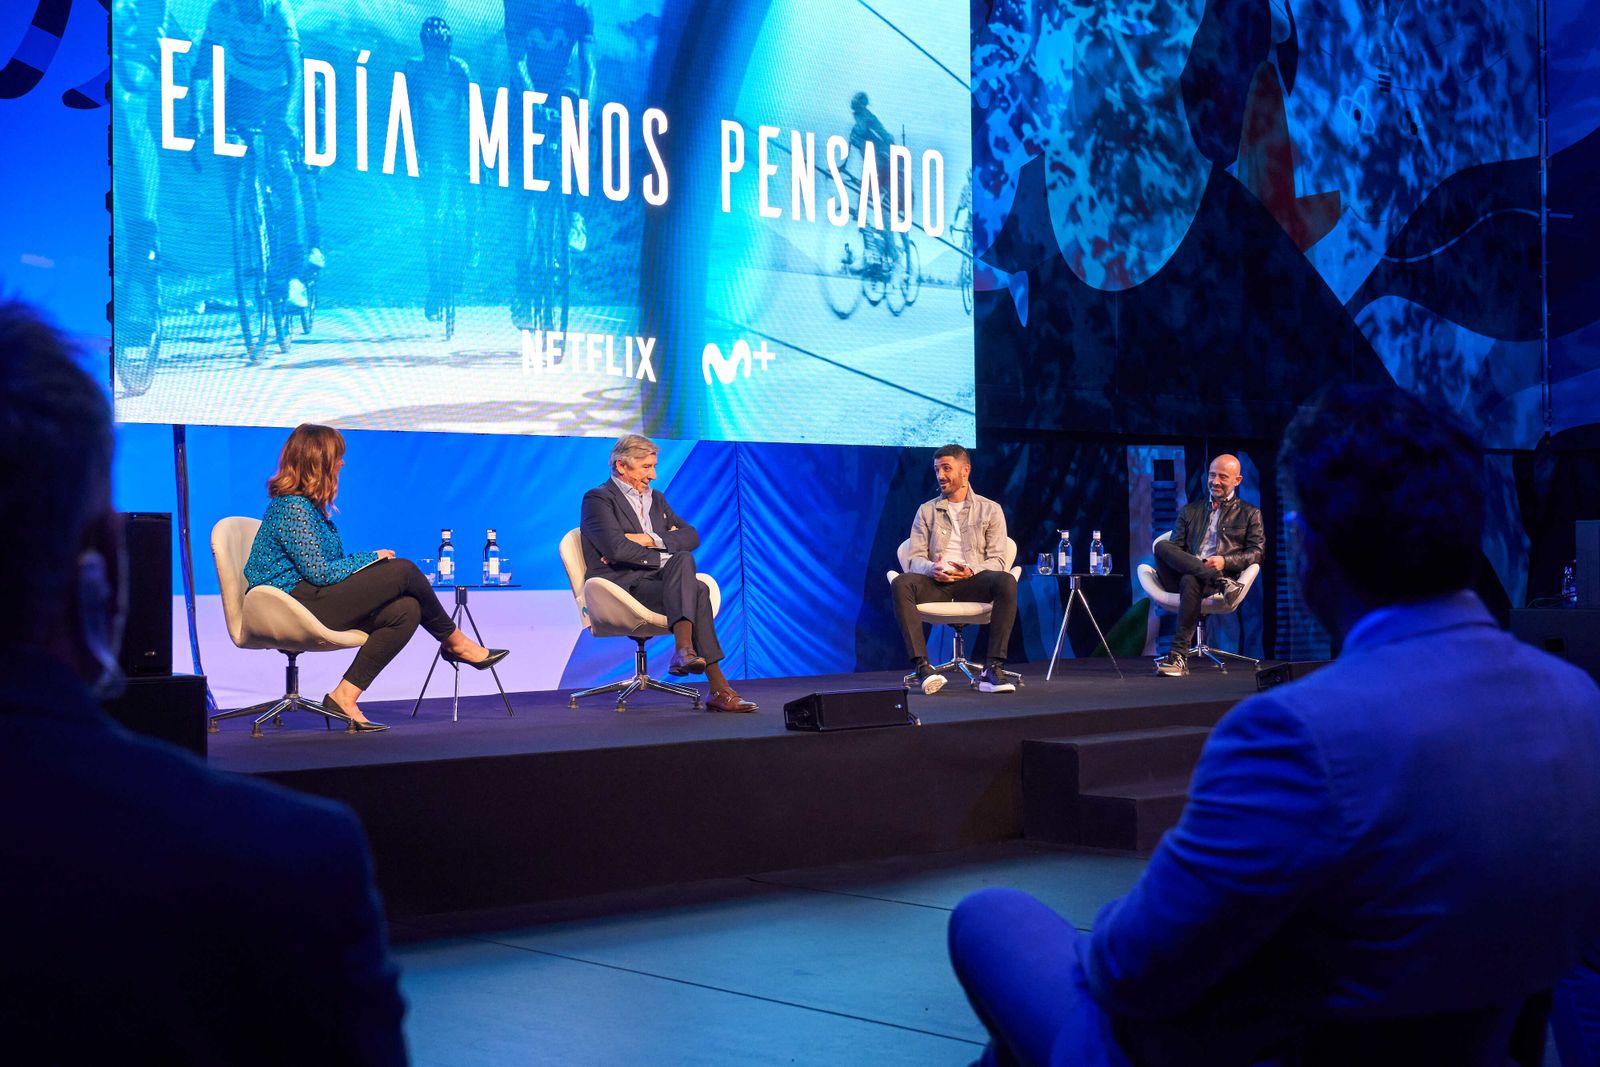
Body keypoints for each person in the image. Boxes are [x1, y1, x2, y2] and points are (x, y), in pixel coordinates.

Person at [947, 384, 1600, 1067]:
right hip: (1472, 1043)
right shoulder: (1579, 704)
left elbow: (1131, 967)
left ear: (1313, 545)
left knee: (989, 916)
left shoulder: (1294, 734)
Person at [0, 300, 407, 1062]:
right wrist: (372, 566)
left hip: (320, 596)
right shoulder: (292, 866)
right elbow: (317, 576)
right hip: (297, 603)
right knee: (408, 577)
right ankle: (415, 658)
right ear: (108, 570)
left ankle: (358, 682)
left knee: (409, 587)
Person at [244, 424, 508, 730]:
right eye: (337, 457)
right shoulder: (293, 508)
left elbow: (326, 569)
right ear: (318, 462)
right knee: (405, 570)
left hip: (309, 597)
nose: (342, 463)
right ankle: (456, 643)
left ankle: (345, 695)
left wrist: (367, 563)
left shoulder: (310, 509)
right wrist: (372, 558)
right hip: (290, 603)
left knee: (406, 609)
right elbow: (321, 572)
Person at [580, 434, 756, 712]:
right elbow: (616, 551)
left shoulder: (656, 500)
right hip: (622, 588)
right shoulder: (599, 499)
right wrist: (663, 551)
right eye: (646, 467)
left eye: (654, 466)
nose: (653, 475)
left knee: (687, 566)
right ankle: (715, 683)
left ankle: (685, 653)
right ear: (621, 466)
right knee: (692, 581)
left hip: (657, 584)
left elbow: (691, 536)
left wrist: (647, 539)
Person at [192, 0, 316, 311]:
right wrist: (194, 114)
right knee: (232, 164)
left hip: (281, 87)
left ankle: (294, 276)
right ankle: (247, 227)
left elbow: (295, 69)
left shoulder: (278, 9)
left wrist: (288, 115)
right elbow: (203, 65)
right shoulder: (221, 9)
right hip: (242, 88)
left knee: (284, 173)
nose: (252, 13)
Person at [891, 444, 1018, 695]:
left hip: (973, 582)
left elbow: (998, 560)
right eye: (937, 469)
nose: (940, 475)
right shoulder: (926, 510)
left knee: (1005, 581)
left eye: (947, 468)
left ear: (965, 471)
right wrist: (932, 568)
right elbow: (914, 557)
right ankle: (923, 668)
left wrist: (970, 571)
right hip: (937, 583)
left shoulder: (990, 509)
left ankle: (993, 668)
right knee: (901, 582)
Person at [1151, 454, 1264, 676]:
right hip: (1194, 576)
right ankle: (1218, 581)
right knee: (1161, 547)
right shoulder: (1190, 510)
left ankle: (1178, 657)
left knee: (1190, 579)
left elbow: (1257, 553)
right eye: (1212, 475)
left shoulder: (1250, 514)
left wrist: (1224, 561)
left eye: (1223, 476)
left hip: (1211, 576)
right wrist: (1197, 564)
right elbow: (1175, 550)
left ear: (1237, 480)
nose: (1215, 481)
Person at [406, 16, 476, 323]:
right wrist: (411, 158)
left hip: (459, 140)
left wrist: (480, 159)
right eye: (432, 52)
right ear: (424, 50)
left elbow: (476, 115)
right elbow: (406, 115)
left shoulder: (460, 70)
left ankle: (472, 241)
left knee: (472, 189)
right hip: (429, 143)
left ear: (449, 50)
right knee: (430, 218)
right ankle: (435, 284)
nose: (438, 59)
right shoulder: (413, 70)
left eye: (442, 52)